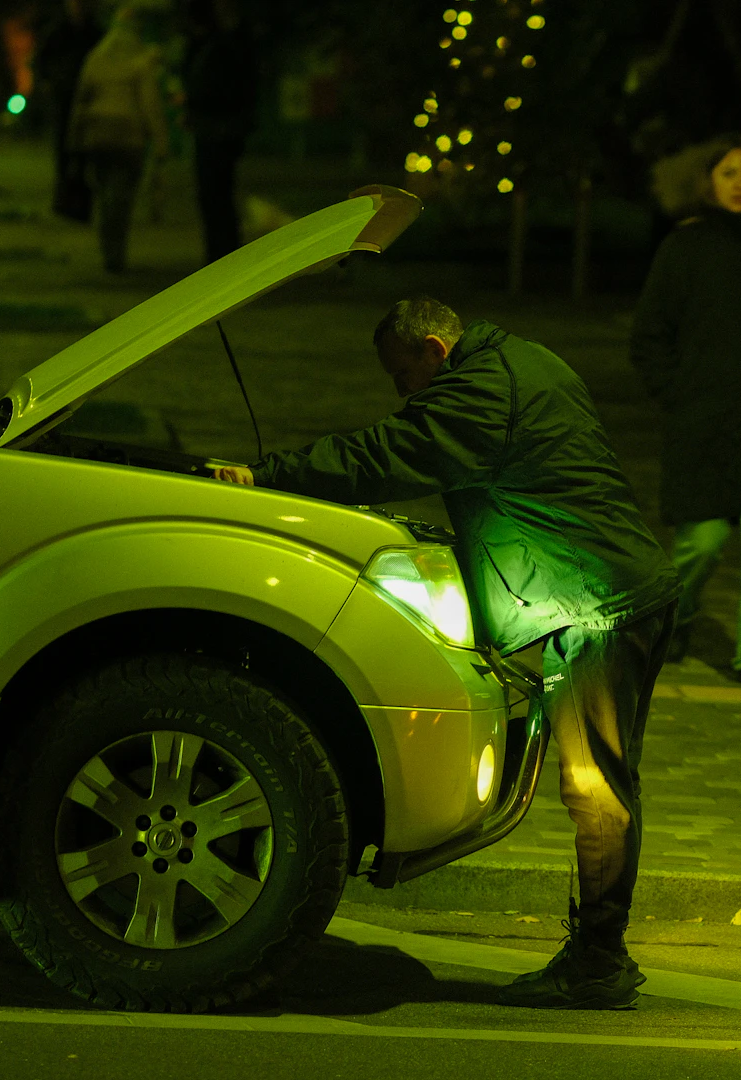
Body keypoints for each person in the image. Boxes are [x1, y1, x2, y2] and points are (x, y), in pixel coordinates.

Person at [214, 299, 678, 1009]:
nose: (403, 394)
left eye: (404, 379)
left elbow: (385, 454)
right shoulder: (528, 359)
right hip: (621, 587)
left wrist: (267, 476)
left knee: (594, 790)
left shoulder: (482, 394)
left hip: (596, 603)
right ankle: (598, 953)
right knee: (608, 783)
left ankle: (599, 962)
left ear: (434, 350)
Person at [630, 133, 741, 691]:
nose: (740, 184)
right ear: (708, 180)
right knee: (702, 542)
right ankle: (677, 618)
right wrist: (678, 392)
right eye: (730, 173)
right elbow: (650, 334)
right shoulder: (684, 248)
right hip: (706, 422)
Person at [67, 2, 169, 273]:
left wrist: (74, 138)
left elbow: (80, 101)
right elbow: (150, 105)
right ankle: (116, 253)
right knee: (122, 198)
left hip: (98, 135)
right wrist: (161, 142)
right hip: (128, 138)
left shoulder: (96, 58)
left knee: (104, 196)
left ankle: (107, 250)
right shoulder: (141, 62)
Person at [181, 0, 256, 264]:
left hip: (217, 131)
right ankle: (222, 251)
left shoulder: (219, 47)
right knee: (216, 194)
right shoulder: (220, 45)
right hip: (219, 130)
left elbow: (217, 89)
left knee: (214, 194)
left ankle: (221, 252)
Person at [34, 0, 105, 224]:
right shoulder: (57, 32)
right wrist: (48, 82)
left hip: (89, 99)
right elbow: (41, 60)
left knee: (86, 151)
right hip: (64, 97)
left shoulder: (95, 32)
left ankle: (82, 204)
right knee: (64, 150)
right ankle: (65, 201)